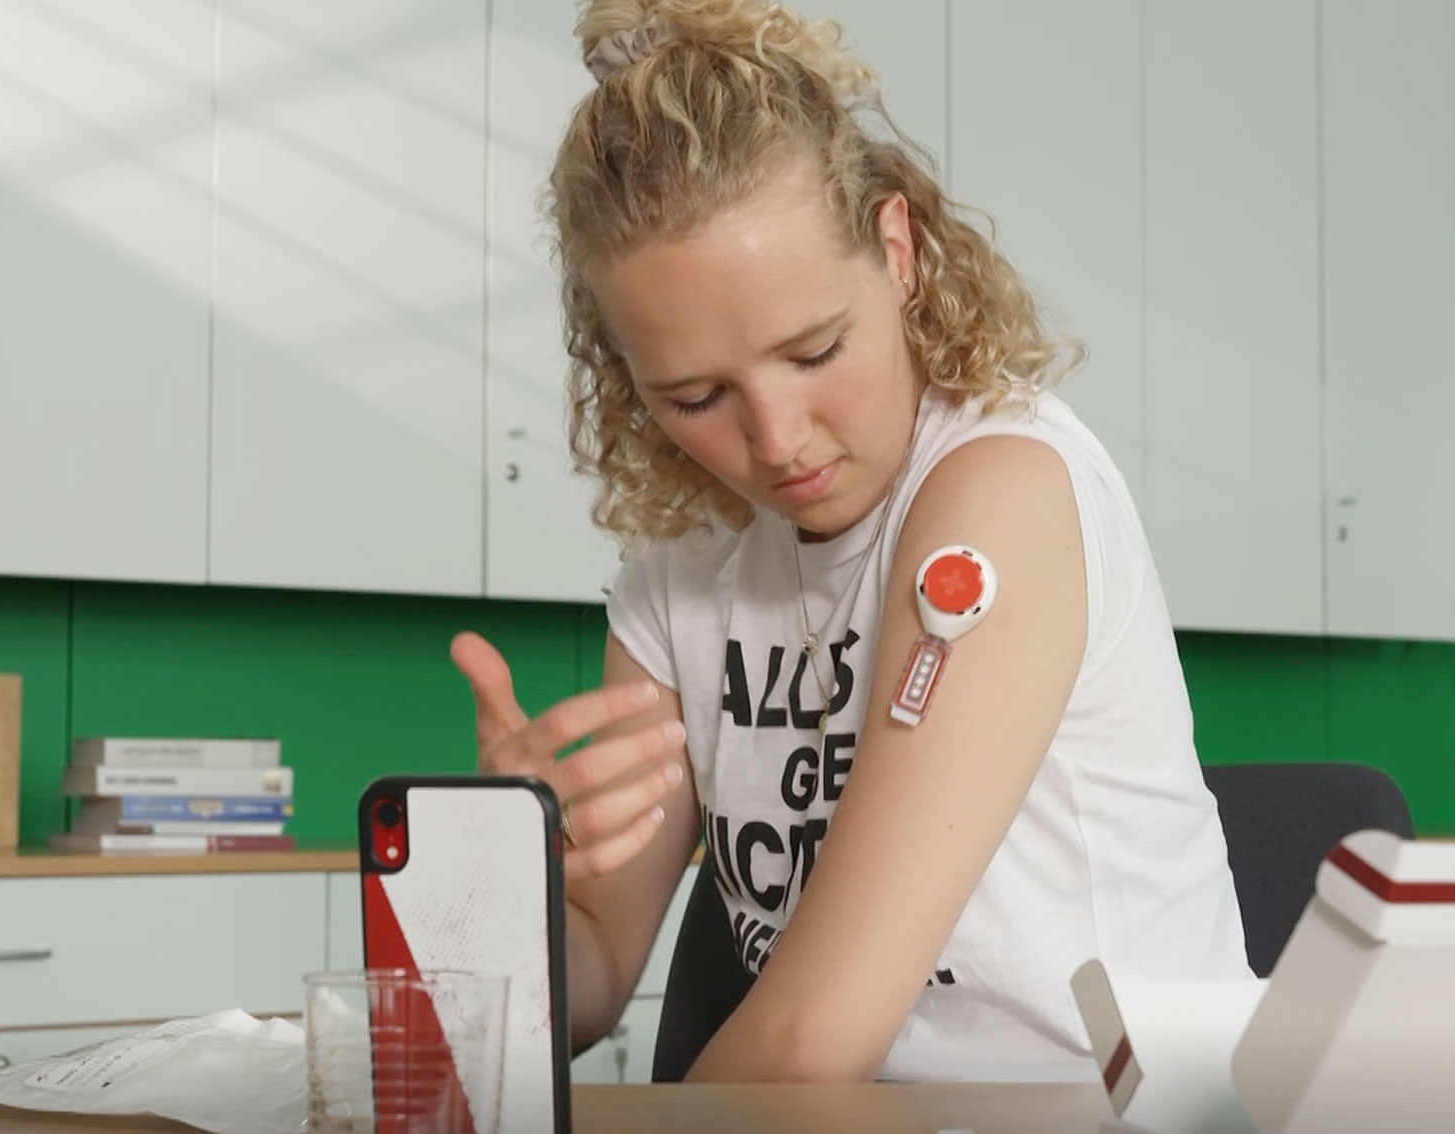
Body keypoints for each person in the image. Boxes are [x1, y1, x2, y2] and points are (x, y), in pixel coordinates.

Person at [449, 0, 1253, 1084]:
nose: (776, 443)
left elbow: (809, 1041)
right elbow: (582, 986)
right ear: (624, 378)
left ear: (896, 249)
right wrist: (500, 875)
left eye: (816, 350)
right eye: (693, 397)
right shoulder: (676, 589)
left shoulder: (999, 492)